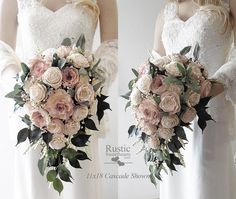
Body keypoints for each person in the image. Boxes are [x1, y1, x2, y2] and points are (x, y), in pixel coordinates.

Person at [0, 0, 118, 198]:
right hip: (32, 117)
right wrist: (25, 88)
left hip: (80, 116)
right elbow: (2, 48)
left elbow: (112, 46)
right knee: (35, 188)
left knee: (80, 189)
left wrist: (86, 86)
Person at [153, 0, 236, 198]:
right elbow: (155, 62)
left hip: (211, 116)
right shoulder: (167, 11)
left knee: (206, 184)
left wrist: (213, 85)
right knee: (176, 185)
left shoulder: (228, 3)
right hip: (172, 120)